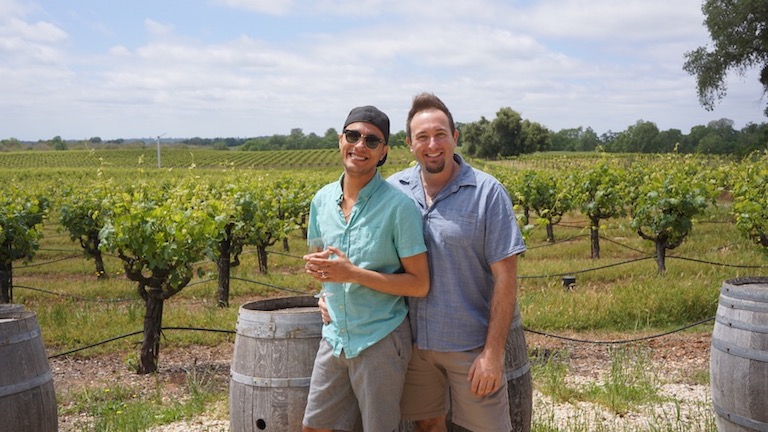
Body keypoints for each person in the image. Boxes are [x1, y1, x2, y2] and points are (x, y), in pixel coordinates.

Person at [320, 93, 527, 432]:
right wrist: (326, 297)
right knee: (428, 426)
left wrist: (493, 354)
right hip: (413, 345)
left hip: (470, 345)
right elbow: (356, 254)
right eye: (422, 137)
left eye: (440, 134)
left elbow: (506, 279)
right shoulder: (394, 190)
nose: (432, 145)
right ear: (409, 144)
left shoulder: (488, 193)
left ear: (455, 137)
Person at [302, 105, 430, 432]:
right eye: (353, 135)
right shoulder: (321, 201)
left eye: (371, 141)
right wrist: (322, 293)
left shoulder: (399, 207)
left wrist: (353, 275)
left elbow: (419, 284)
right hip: (335, 336)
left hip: (380, 339)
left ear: (383, 151)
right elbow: (320, 261)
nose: (360, 146)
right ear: (340, 139)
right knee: (314, 426)